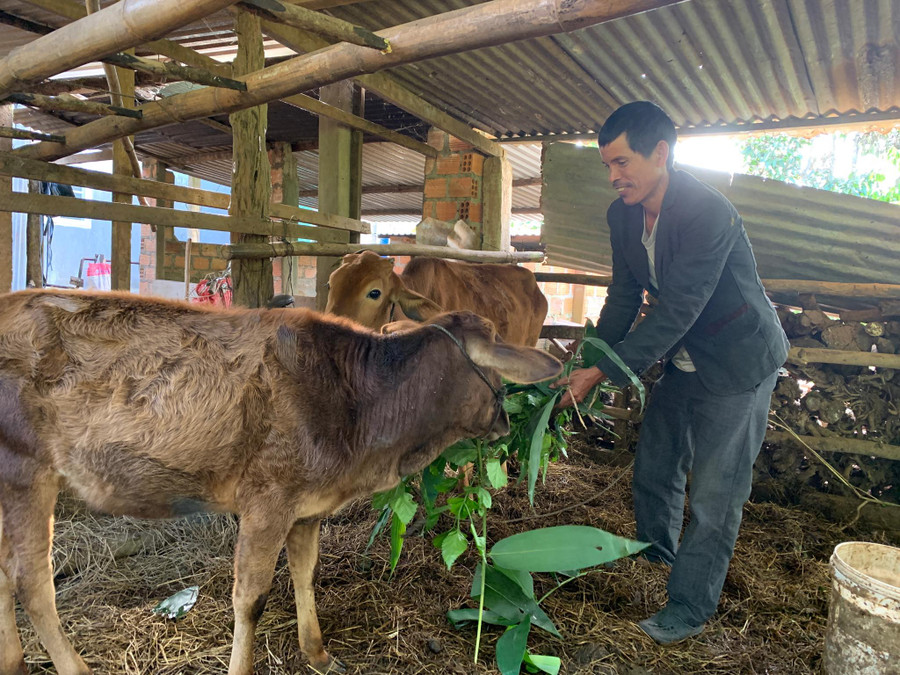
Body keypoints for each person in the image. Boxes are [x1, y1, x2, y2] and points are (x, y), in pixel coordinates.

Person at [553, 101, 789, 644]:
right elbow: (620, 298)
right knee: (656, 466)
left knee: (714, 495)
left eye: (621, 163)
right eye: (606, 166)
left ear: (660, 153)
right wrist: (584, 360)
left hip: (737, 359)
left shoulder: (709, 211)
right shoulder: (623, 216)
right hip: (684, 358)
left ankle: (687, 608)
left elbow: (680, 307)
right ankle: (656, 558)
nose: (613, 177)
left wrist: (601, 374)